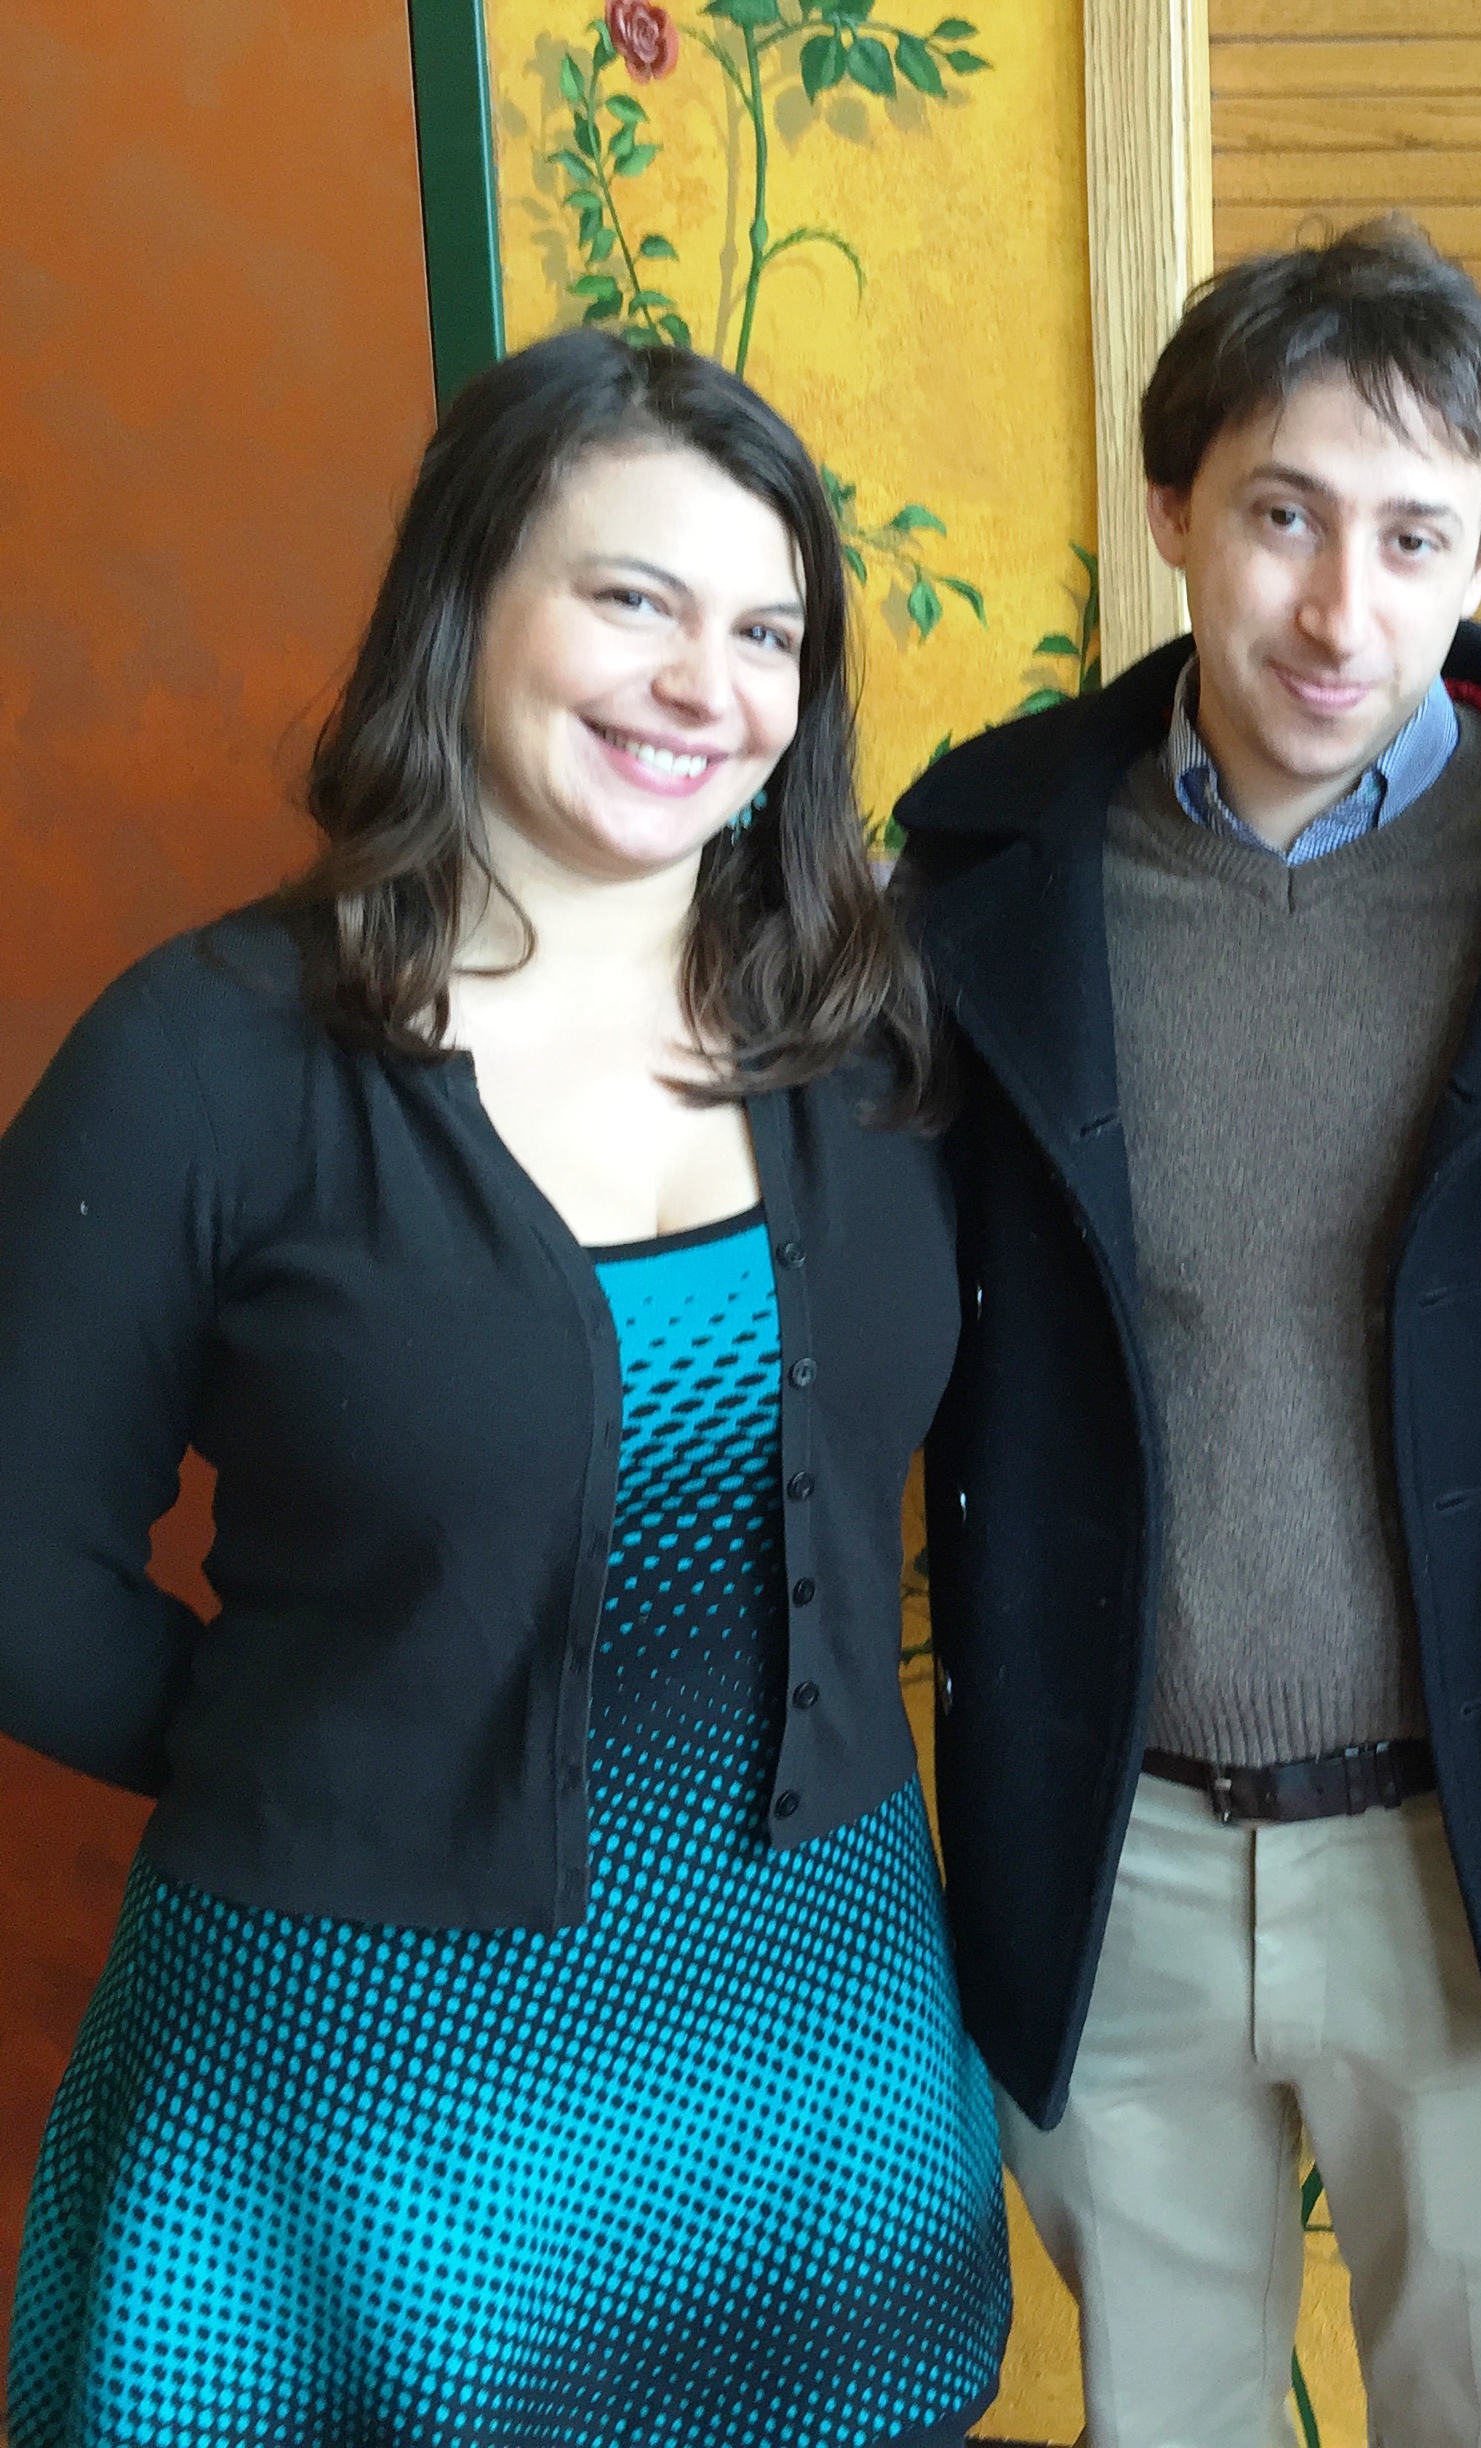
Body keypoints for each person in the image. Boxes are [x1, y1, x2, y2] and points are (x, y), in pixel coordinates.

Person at [0, 331, 1007, 2447]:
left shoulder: (878, 1050)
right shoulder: (198, 1060)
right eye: (632, 598)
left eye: (765, 634)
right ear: (465, 603)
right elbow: (20, 1565)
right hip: (357, 2086)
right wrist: (316, 1757)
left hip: (809, 2059)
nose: (701, 683)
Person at [892, 217, 1481, 2447]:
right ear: (1173, 507)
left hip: (1477, 1847)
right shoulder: (980, 873)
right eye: (1282, 516)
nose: (1340, 609)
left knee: (1476, 2409)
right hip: (1115, 1838)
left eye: (1413, 535)